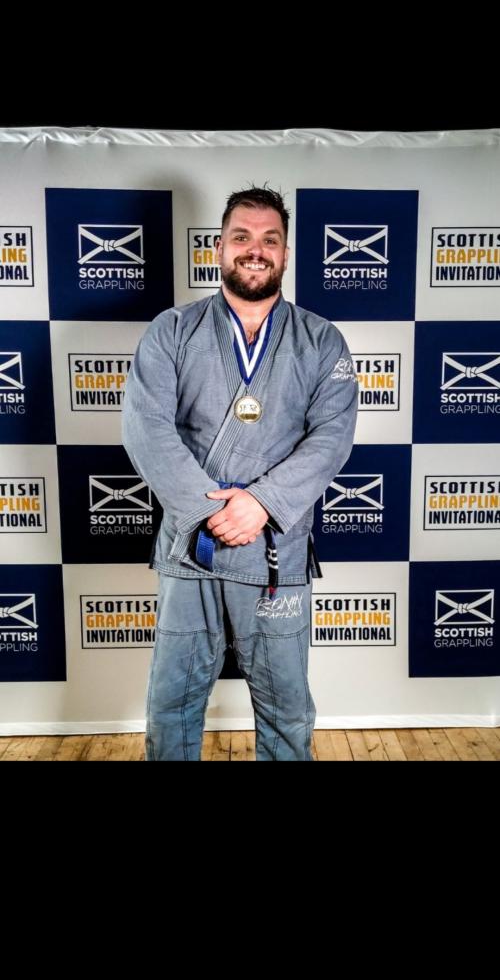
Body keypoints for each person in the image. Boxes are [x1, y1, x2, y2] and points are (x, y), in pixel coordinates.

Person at [122, 186, 358, 761]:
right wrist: (213, 511)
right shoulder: (172, 330)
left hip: (275, 546)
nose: (256, 250)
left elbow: (332, 438)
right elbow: (147, 429)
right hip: (192, 546)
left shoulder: (322, 340)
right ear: (219, 248)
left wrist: (261, 504)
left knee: (286, 706)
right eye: (242, 237)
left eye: (270, 240)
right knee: (173, 701)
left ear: (286, 253)